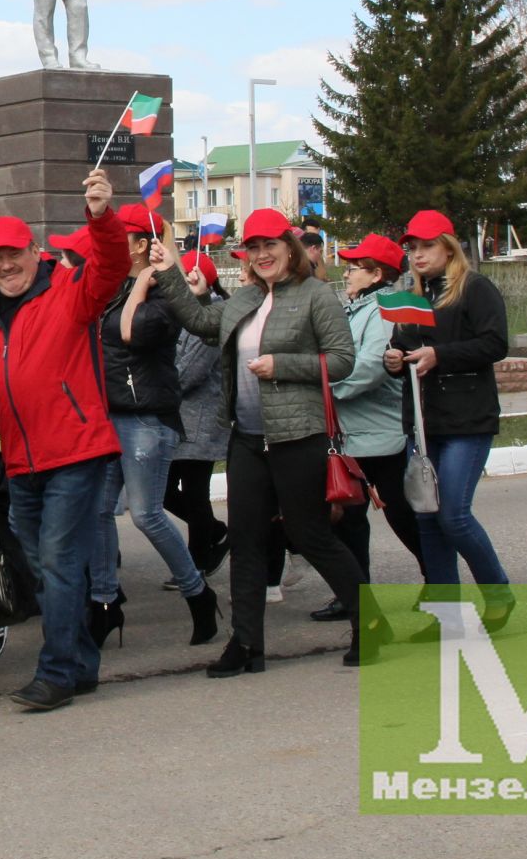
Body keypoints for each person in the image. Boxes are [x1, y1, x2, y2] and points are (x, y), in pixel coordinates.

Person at [151, 208, 388, 674]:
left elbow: (342, 359)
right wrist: (168, 274)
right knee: (245, 539)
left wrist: (284, 366)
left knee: (310, 534)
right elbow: (200, 321)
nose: (261, 255)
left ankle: (369, 623)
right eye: (253, 248)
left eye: (270, 246)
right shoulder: (243, 299)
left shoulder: (316, 296)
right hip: (246, 438)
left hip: (299, 435)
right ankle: (246, 645)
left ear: (289, 248)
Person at [0, 175, 128, 709]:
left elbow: (114, 268)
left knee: (57, 562)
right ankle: (81, 663)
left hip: (76, 452)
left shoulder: (70, 293)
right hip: (21, 464)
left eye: (14, 254)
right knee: (41, 568)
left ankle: (55, 673)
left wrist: (100, 216)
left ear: (34, 252)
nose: (5, 265)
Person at [381, 209, 515, 624]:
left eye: (427, 246)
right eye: (413, 248)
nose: (418, 255)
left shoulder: (475, 288)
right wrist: (393, 360)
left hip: (467, 419)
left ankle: (497, 592)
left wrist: (441, 356)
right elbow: (401, 347)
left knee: (452, 514)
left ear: (449, 247)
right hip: (423, 422)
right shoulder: (412, 295)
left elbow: (495, 343)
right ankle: (447, 617)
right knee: (427, 518)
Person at [95, 205, 217, 647]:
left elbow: (132, 332)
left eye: (121, 238)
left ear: (143, 245)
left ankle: (198, 593)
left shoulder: (167, 290)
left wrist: (146, 282)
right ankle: (105, 603)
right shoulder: (114, 284)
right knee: (98, 513)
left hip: (146, 416)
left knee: (146, 515)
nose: (111, 245)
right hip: (109, 413)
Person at [325, 234, 424, 606]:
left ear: (377, 273)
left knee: (401, 515)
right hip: (353, 434)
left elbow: (370, 368)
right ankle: (355, 597)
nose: (347, 274)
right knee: (349, 519)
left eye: (354, 268)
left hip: (381, 434)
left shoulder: (384, 310)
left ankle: (438, 579)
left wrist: (325, 392)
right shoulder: (355, 308)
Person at [166, 249, 231, 580]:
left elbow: (189, 372)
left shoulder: (210, 314)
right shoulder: (186, 312)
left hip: (201, 418)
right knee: (173, 490)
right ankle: (213, 535)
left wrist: (159, 382)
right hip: (184, 418)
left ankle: (198, 559)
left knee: (192, 490)